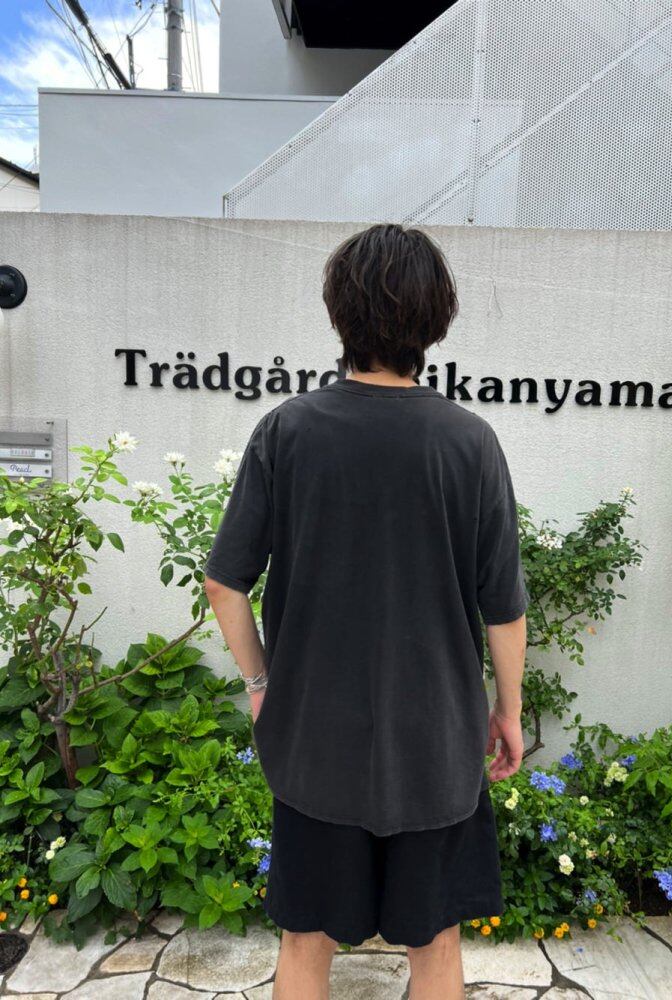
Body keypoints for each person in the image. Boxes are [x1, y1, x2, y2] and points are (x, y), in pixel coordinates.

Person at [203, 222, 529, 1000]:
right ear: (436, 320)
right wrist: (508, 711)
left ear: (337, 313)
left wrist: (260, 685)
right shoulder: (469, 442)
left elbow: (224, 582)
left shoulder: (286, 430)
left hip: (314, 740)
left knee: (304, 941)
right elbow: (503, 606)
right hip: (437, 744)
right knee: (435, 945)